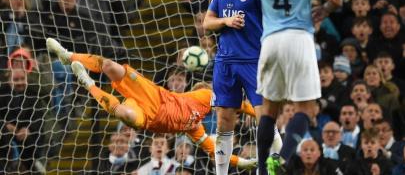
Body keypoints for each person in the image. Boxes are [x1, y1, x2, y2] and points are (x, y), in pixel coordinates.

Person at [219, 0, 342, 174]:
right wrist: (325, 11)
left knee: (269, 110)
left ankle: (264, 169)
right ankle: (283, 157)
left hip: (270, 41)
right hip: (299, 38)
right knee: (305, 108)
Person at [46, 37, 257, 170]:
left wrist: (243, 162)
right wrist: (259, 113)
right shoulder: (203, 98)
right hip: (152, 94)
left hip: (148, 118)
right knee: (110, 66)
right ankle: (68, 56)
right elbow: (238, 103)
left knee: (125, 115)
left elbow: (216, 151)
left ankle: (88, 83)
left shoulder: (195, 127)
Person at [202, 0, 265, 175]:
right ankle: (221, 173)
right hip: (225, 62)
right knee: (223, 120)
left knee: (264, 119)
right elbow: (207, 22)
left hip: (254, 60)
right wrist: (226, 21)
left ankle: (267, 169)